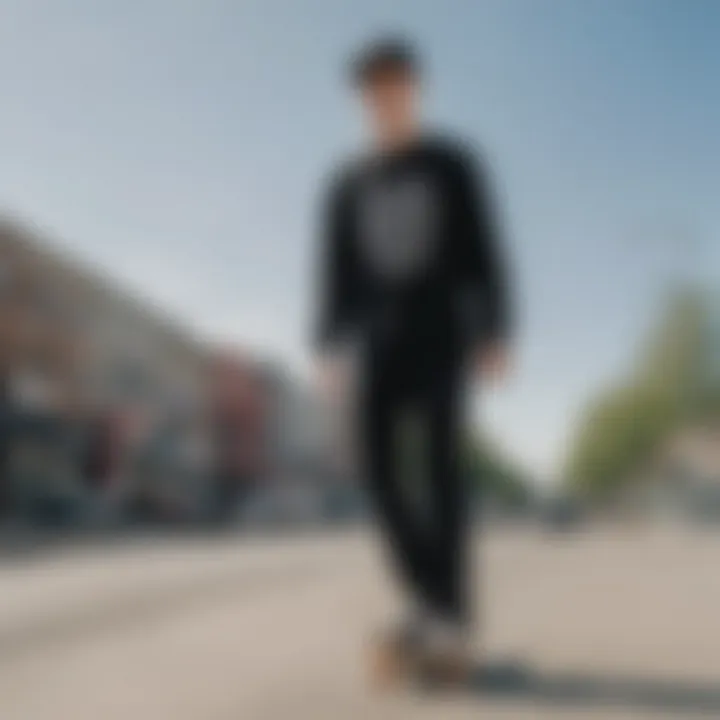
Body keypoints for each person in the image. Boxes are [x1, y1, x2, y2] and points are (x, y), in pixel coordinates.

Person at [313, 36, 513, 686]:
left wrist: (496, 330)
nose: (386, 97)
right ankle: (433, 597)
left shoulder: (453, 163)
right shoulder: (345, 183)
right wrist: (328, 344)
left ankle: (446, 611)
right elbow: (334, 272)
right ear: (363, 100)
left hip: (443, 333)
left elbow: (486, 247)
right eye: (375, 89)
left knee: (440, 466)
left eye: (396, 85)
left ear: (415, 90)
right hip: (376, 340)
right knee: (374, 466)